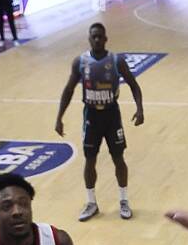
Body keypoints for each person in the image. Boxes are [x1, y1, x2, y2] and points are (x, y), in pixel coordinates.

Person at [55, 23, 144, 222]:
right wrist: (59, 116)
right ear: (89, 39)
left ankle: (123, 200)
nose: (96, 40)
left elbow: (134, 85)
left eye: (100, 37)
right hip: (91, 117)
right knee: (90, 159)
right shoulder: (80, 62)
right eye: (93, 37)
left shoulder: (116, 61)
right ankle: (91, 202)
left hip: (112, 115)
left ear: (105, 39)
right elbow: (69, 90)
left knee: (118, 158)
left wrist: (140, 109)